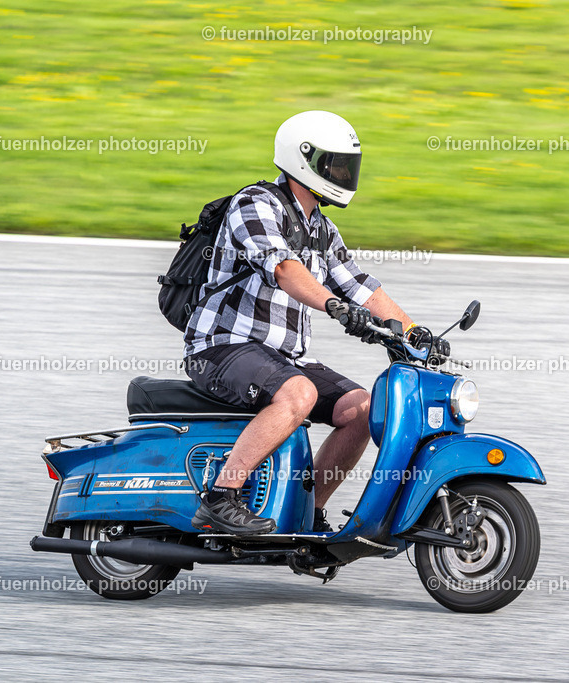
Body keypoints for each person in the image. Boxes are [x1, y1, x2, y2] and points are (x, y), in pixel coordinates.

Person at [182, 110, 439, 535]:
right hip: (222, 347)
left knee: (362, 408)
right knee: (299, 392)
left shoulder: (321, 228)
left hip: (283, 356)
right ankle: (220, 497)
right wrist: (334, 306)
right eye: (335, 165)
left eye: (347, 167)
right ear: (303, 159)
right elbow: (283, 269)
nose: (343, 175)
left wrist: (416, 334)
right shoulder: (254, 204)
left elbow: (360, 287)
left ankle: (306, 513)